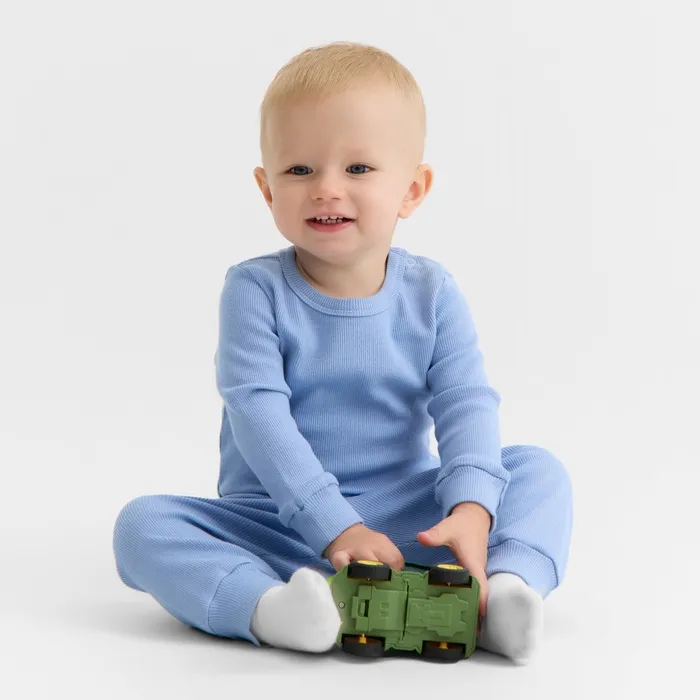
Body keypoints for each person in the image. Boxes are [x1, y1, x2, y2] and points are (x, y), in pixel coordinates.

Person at [113, 41, 573, 666]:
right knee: (141, 526)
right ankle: (272, 610)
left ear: (412, 189)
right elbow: (259, 416)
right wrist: (336, 528)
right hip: (274, 523)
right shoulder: (254, 290)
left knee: (537, 471)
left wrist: (469, 508)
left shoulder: (432, 292)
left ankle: (502, 594)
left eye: (358, 168)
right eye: (300, 170)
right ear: (267, 189)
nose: (326, 189)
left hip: (404, 520)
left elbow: (466, 402)